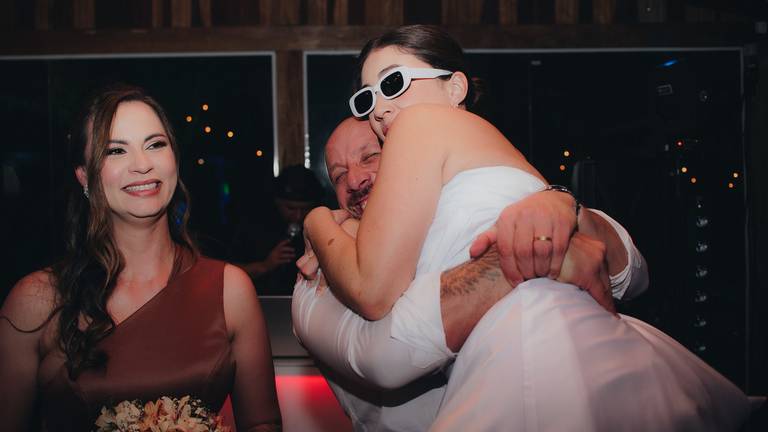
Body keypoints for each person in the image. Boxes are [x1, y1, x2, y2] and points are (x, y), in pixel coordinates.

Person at [301, 25, 749, 431]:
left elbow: (372, 290)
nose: (380, 109)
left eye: (393, 83)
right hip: (557, 337)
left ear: (454, 87)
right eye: (367, 98)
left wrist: (314, 220)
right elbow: (631, 275)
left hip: (530, 344)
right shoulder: (460, 168)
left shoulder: (422, 124)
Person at [293, 117, 648, 431]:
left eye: (370, 156)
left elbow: (633, 277)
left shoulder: (448, 224)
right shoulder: (314, 278)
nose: (355, 180)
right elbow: (384, 358)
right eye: (339, 175)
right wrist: (534, 256)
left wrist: (563, 205)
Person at [0, 85, 282, 431]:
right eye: (116, 150)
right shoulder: (37, 300)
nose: (143, 164)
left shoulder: (229, 289)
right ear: (84, 175)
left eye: (155, 144)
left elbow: (262, 423)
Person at [230, 164, 323, 295]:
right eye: (291, 208)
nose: (298, 216)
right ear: (277, 201)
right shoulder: (254, 226)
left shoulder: (320, 228)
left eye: (305, 209)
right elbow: (228, 272)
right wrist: (265, 265)